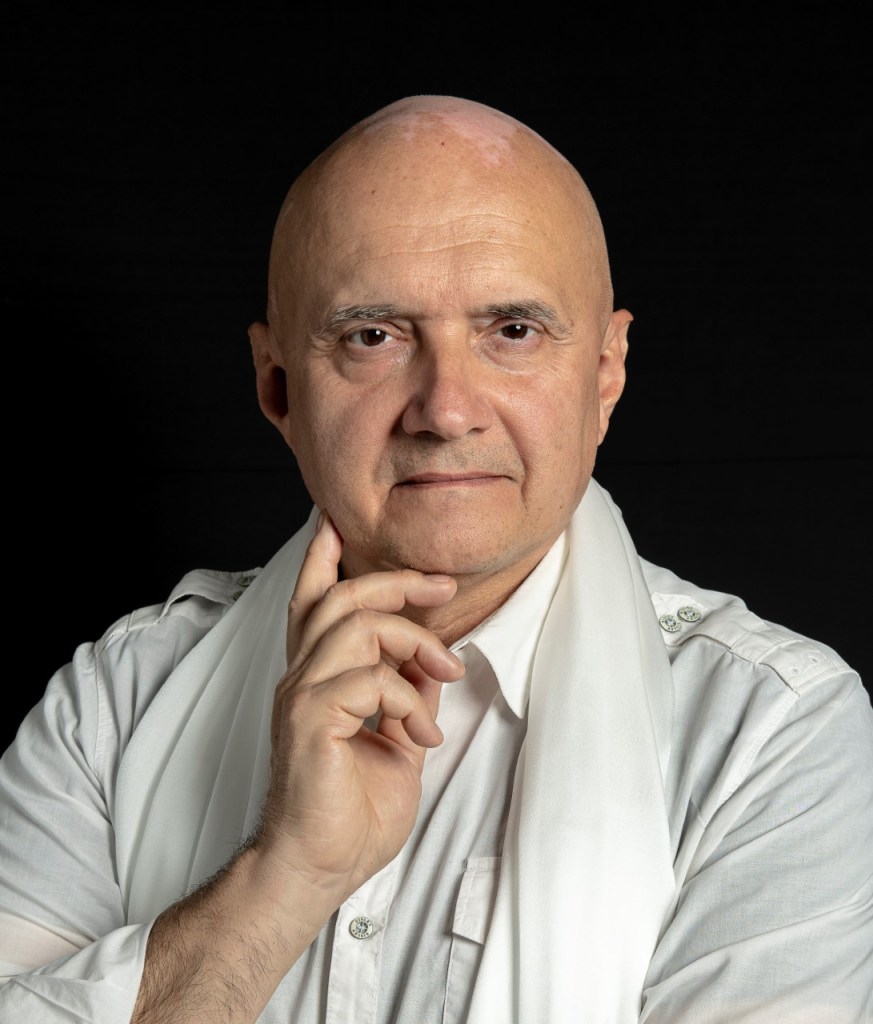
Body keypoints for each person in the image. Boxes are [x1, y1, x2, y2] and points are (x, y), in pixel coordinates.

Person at [1, 94, 871, 1024]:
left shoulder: (769, 732)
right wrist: (285, 877)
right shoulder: (115, 705)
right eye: (372, 336)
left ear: (605, 374)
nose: (446, 409)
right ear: (277, 386)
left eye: (513, 332)